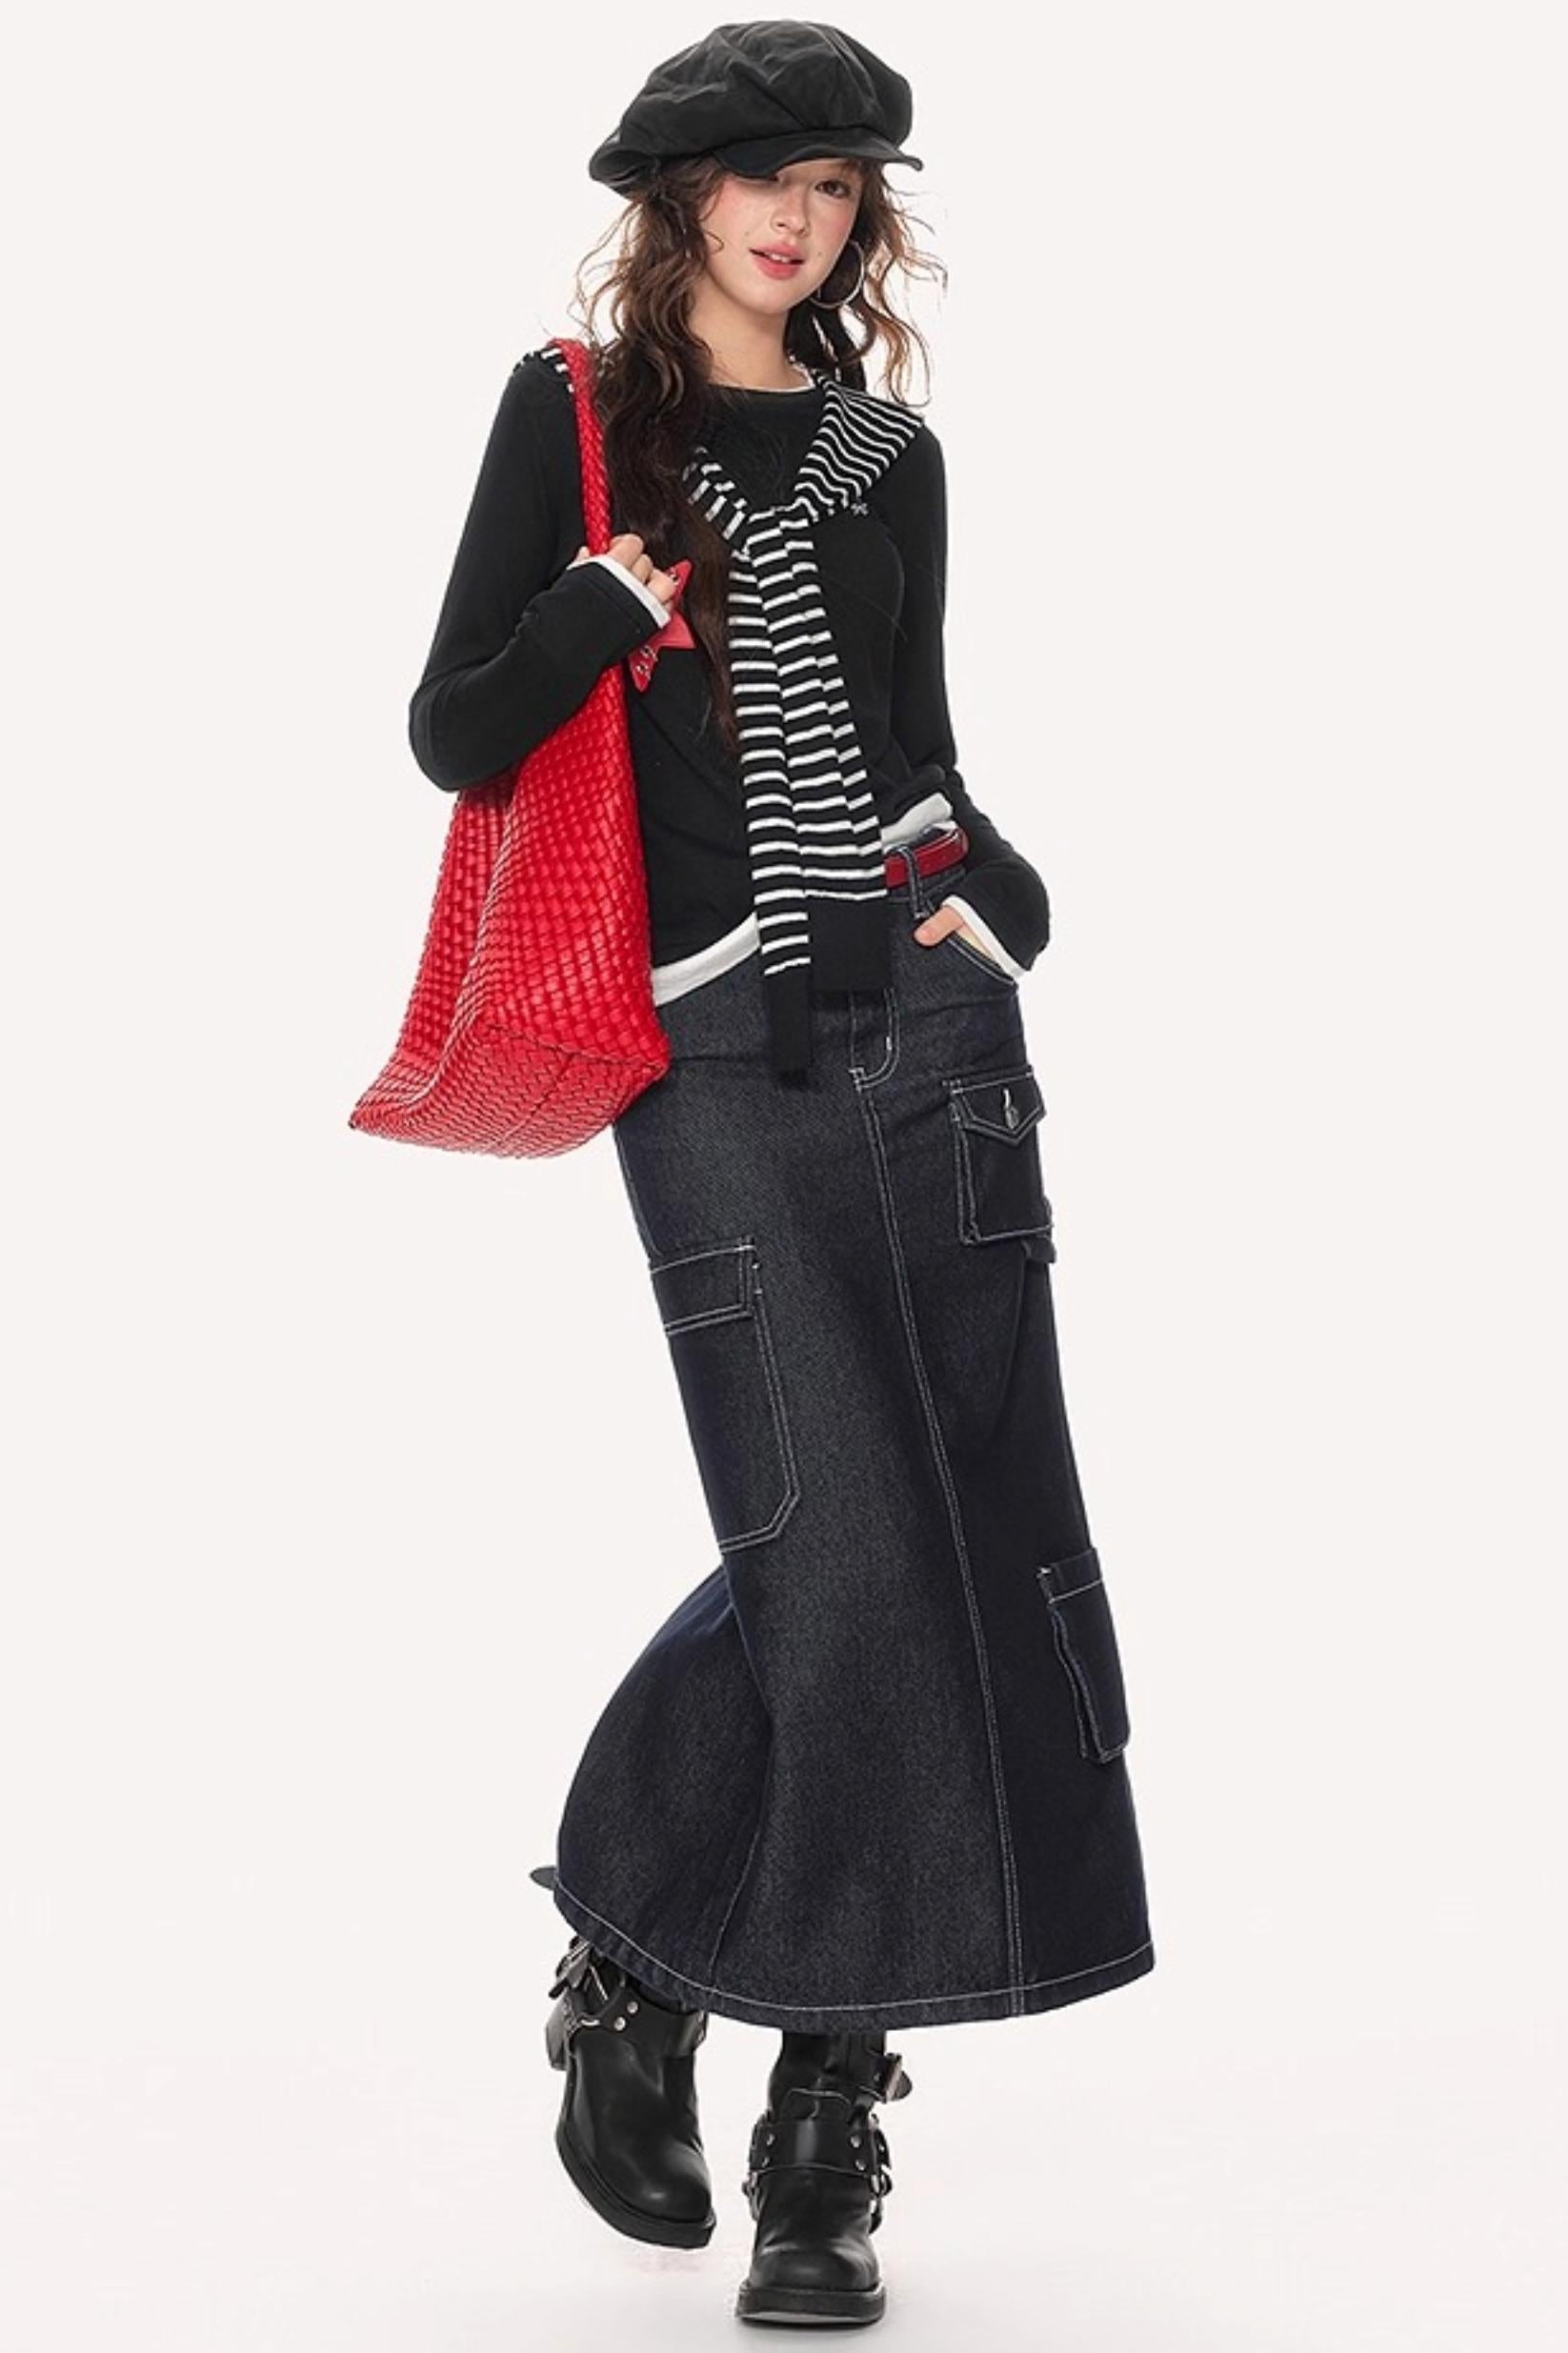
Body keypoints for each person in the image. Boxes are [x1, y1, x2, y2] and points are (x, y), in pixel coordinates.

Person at [406, 21, 1156, 2330]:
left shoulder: (884, 449)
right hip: (711, 1041)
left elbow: (922, 741)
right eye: (762, 181)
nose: (797, 221)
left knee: (969, 1524)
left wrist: (996, 889)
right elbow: (453, 727)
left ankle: (824, 2126)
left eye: (833, 189)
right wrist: (595, 614)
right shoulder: (575, 417)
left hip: (928, 1022)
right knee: (833, 1529)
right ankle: (635, 1958)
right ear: (678, 200)